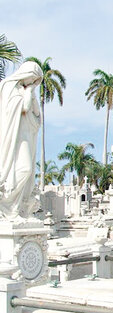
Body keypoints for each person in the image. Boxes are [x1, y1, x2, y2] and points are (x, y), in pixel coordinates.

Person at [0, 61, 43, 219]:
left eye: (35, 81)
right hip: (14, 136)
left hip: (27, 135)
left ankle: (17, 208)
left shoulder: (28, 90)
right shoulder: (9, 86)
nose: (32, 83)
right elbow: (23, 108)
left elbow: (37, 115)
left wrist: (32, 94)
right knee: (24, 169)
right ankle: (7, 203)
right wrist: (29, 92)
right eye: (31, 78)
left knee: (28, 173)